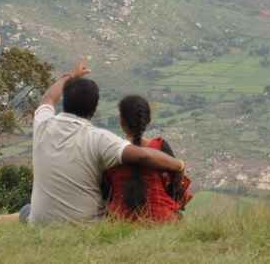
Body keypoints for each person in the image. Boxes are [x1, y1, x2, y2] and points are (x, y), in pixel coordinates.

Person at [21, 61, 185, 225]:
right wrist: (179, 165)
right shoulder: (99, 138)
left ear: (65, 101)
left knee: (26, 210)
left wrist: (71, 76)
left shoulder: (43, 124)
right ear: (94, 109)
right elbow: (143, 156)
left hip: (41, 225)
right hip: (85, 227)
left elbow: (48, 97)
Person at [102, 95, 192, 221]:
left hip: (120, 219)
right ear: (147, 120)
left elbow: (106, 192)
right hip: (163, 218)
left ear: (121, 121)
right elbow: (176, 186)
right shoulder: (159, 147)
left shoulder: (110, 150)